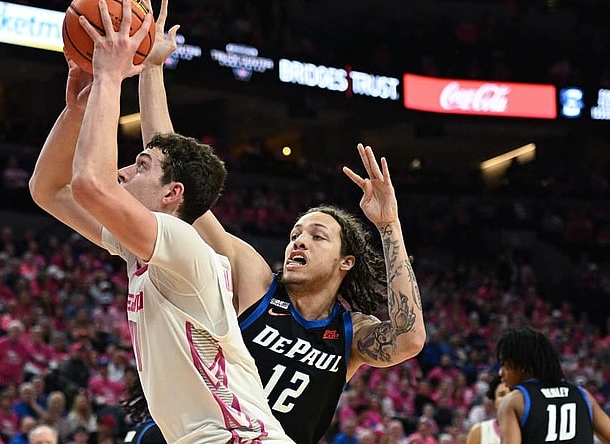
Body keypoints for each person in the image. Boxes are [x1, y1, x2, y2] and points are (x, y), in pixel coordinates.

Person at [127, 1, 426, 442]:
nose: (298, 242)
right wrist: (153, 70)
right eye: (295, 234)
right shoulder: (254, 280)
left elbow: (409, 338)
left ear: (346, 262)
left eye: (317, 235)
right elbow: (177, 181)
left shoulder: (350, 333)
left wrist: (389, 225)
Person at [28, 0, 293, 442]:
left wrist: (111, 76)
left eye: (141, 165)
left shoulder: (183, 244)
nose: (124, 173)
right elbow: (49, 190)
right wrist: (78, 108)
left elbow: (91, 184)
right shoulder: (142, 247)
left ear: (173, 195)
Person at [495, 327, 610, 443]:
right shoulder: (582, 396)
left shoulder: (513, 401)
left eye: (505, 365)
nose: (501, 372)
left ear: (523, 367)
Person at [466, 375, 509, 444]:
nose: (508, 398)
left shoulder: (530, 430)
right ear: (494, 401)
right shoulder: (480, 431)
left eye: (512, 393)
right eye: (502, 395)